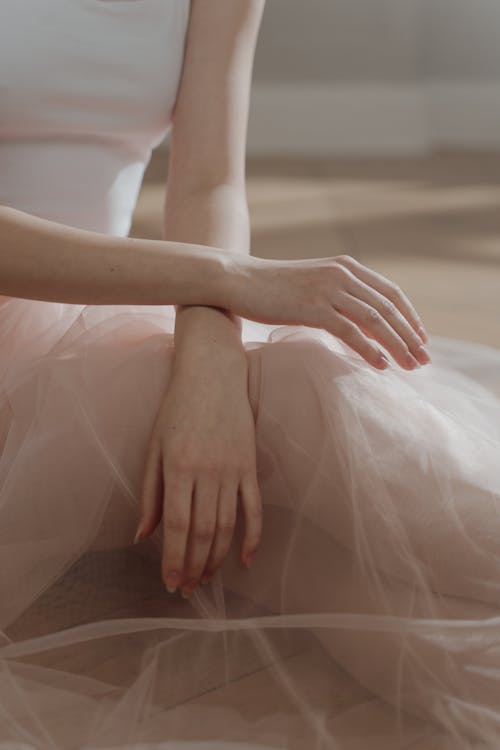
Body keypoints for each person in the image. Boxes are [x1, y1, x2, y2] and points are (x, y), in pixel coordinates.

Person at [0, 1, 499, 748]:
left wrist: (208, 364)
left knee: (325, 555)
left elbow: (208, 186)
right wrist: (234, 278)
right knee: (302, 391)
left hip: (81, 333)